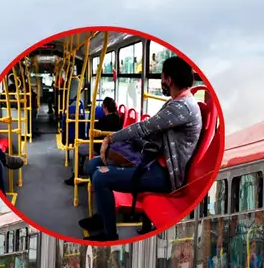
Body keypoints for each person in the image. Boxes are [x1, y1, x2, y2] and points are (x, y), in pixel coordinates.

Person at [79, 56, 202, 241]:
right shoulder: (175, 102)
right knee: (93, 164)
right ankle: (103, 217)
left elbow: (145, 127)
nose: (162, 82)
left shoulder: (182, 107)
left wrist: (111, 138)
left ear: (168, 79)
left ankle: (109, 234)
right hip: (152, 161)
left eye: (162, 77)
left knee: (100, 177)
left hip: (165, 174)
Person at [64, 96, 125, 186]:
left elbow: (94, 136)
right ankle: (79, 169)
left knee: (77, 147)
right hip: (111, 147)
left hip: (99, 147)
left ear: (105, 108)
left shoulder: (103, 120)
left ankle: (75, 175)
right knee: (83, 144)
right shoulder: (117, 119)